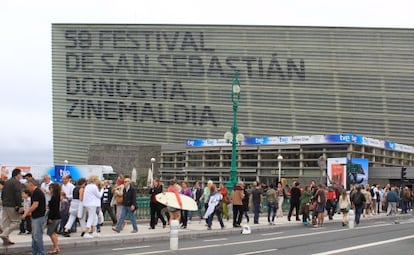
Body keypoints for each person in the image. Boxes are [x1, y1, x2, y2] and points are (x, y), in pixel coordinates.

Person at [22, 179, 46, 255]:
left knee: (37, 236)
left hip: (38, 217)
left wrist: (26, 213)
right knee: (34, 235)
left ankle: (40, 252)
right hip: (36, 216)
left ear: (31, 185)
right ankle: (35, 251)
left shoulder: (37, 192)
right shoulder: (35, 192)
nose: (27, 189)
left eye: (28, 186)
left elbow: (35, 205)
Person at [0, 168, 23, 245]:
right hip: (12, 205)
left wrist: (3, 202)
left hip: (5, 205)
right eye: (20, 174)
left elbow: (2, 194)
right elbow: (18, 195)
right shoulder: (16, 183)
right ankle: (4, 234)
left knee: (5, 223)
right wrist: (20, 205)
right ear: (17, 174)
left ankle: (6, 240)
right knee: (17, 222)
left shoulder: (7, 182)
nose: (21, 176)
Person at [46, 183, 61, 254]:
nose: (50, 189)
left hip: (54, 217)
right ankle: (56, 247)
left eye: (51, 188)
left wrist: (50, 218)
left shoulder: (54, 197)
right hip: (57, 216)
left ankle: (55, 247)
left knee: (51, 232)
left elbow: (53, 209)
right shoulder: (57, 196)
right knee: (54, 232)